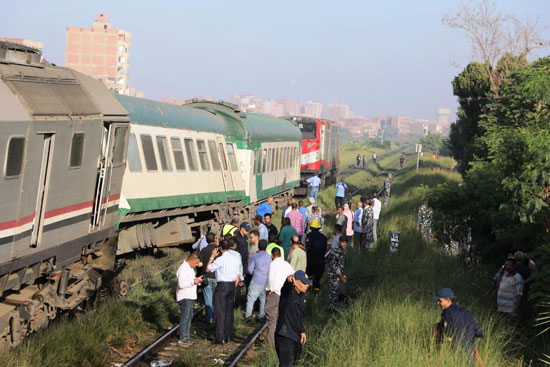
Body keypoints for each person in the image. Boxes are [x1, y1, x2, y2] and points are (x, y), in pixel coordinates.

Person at [432, 288, 483, 361]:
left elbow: (448, 333)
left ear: (448, 300)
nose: (438, 303)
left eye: (440, 301)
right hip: (471, 352)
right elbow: (478, 331)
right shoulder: (464, 310)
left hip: (458, 354)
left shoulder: (447, 313)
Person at [206, 241, 242, 344]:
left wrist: (212, 257)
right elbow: (237, 275)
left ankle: (220, 337)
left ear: (220, 248)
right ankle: (228, 335)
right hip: (231, 285)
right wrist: (234, 287)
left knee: (220, 311)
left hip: (222, 286)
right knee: (229, 311)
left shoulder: (220, 260)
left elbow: (208, 269)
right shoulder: (235, 259)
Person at [275, 270, 310, 367]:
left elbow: (299, 316)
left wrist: (302, 331)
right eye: (304, 283)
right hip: (285, 335)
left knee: (295, 362)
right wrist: (289, 279)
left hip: (296, 335)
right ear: (296, 282)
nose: (306, 285)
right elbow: (286, 287)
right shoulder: (288, 293)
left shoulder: (302, 296)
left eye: (307, 283)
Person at [265, 247, 295, 343]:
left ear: (272, 255)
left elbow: (270, 278)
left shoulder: (273, 264)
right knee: (281, 316)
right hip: (285, 293)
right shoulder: (286, 264)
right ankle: (280, 338)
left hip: (275, 292)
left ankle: (271, 341)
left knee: (271, 316)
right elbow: (293, 274)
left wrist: (270, 290)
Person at [176, 253, 203, 345]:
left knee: (189, 315)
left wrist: (197, 280)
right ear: (191, 260)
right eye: (196, 263)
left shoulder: (189, 268)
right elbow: (181, 284)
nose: (196, 265)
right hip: (185, 296)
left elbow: (190, 280)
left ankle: (186, 335)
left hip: (189, 296)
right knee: (185, 316)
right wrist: (193, 281)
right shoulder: (183, 268)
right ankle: (182, 337)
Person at [246, 239, 272, 321]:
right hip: (265, 280)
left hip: (256, 279)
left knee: (251, 298)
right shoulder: (269, 257)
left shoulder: (255, 256)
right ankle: (261, 315)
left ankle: (248, 316)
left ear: (258, 246)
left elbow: (250, 270)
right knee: (263, 298)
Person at [198, 232, 219, 324]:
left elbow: (200, 264)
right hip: (217, 277)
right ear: (215, 238)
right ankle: (216, 317)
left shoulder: (203, 250)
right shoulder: (218, 250)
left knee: (208, 299)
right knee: (216, 299)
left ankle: (209, 319)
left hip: (206, 277)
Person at [305, 219, 327, 291]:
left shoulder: (309, 236)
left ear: (311, 227)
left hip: (310, 261)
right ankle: (316, 292)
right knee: (317, 278)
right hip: (320, 261)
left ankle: (309, 290)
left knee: (309, 276)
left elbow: (307, 247)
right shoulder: (324, 237)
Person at [328, 236, 347, 313]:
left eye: (345, 242)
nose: (344, 244)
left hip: (339, 276)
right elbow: (335, 266)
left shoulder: (342, 251)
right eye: (342, 242)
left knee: (337, 291)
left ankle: (334, 307)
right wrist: (340, 276)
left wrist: (343, 275)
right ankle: (331, 309)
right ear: (339, 242)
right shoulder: (335, 251)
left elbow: (341, 265)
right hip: (333, 275)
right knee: (333, 292)